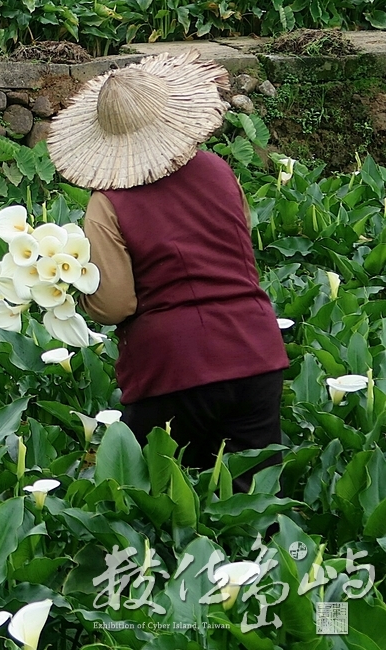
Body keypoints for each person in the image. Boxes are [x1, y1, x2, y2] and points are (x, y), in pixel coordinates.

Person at [47, 51, 288, 493]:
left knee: (163, 508)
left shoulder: (109, 203)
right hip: (256, 353)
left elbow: (116, 304)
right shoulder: (218, 170)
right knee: (256, 506)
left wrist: (73, 287)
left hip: (174, 369)